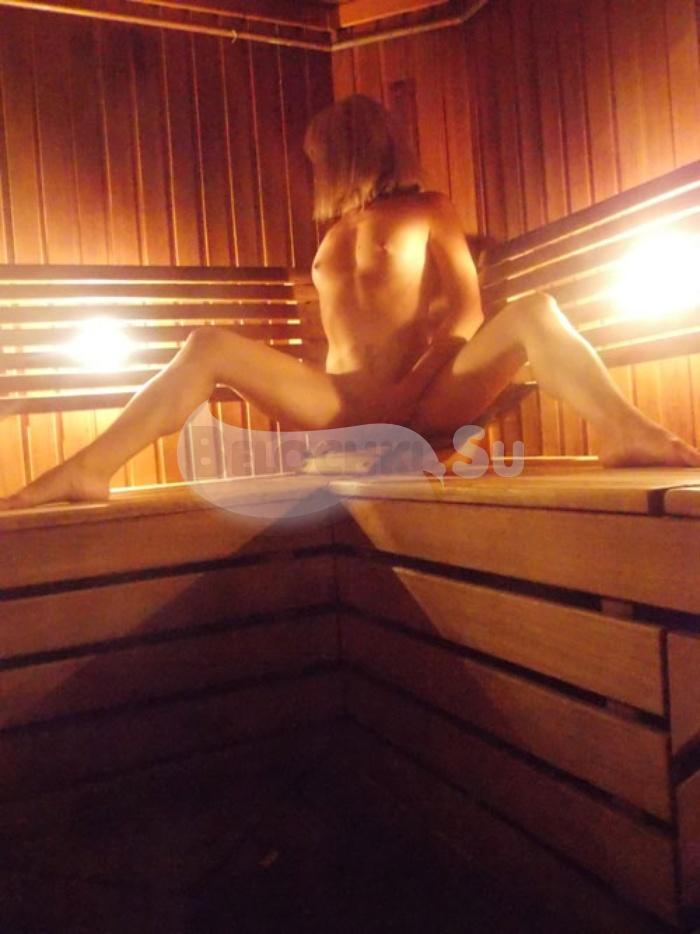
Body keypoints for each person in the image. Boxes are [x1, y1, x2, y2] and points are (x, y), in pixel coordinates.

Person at [2, 94, 699, 510]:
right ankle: (88, 468)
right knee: (205, 346)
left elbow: (465, 313)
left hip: (428, 396)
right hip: (344, 402)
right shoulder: (334, 232)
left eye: (322, 156)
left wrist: (414, 387)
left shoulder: (429, 208)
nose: (316, 170)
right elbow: (337, 337)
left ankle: (624, 429)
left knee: (537, 310)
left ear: (356, 149)